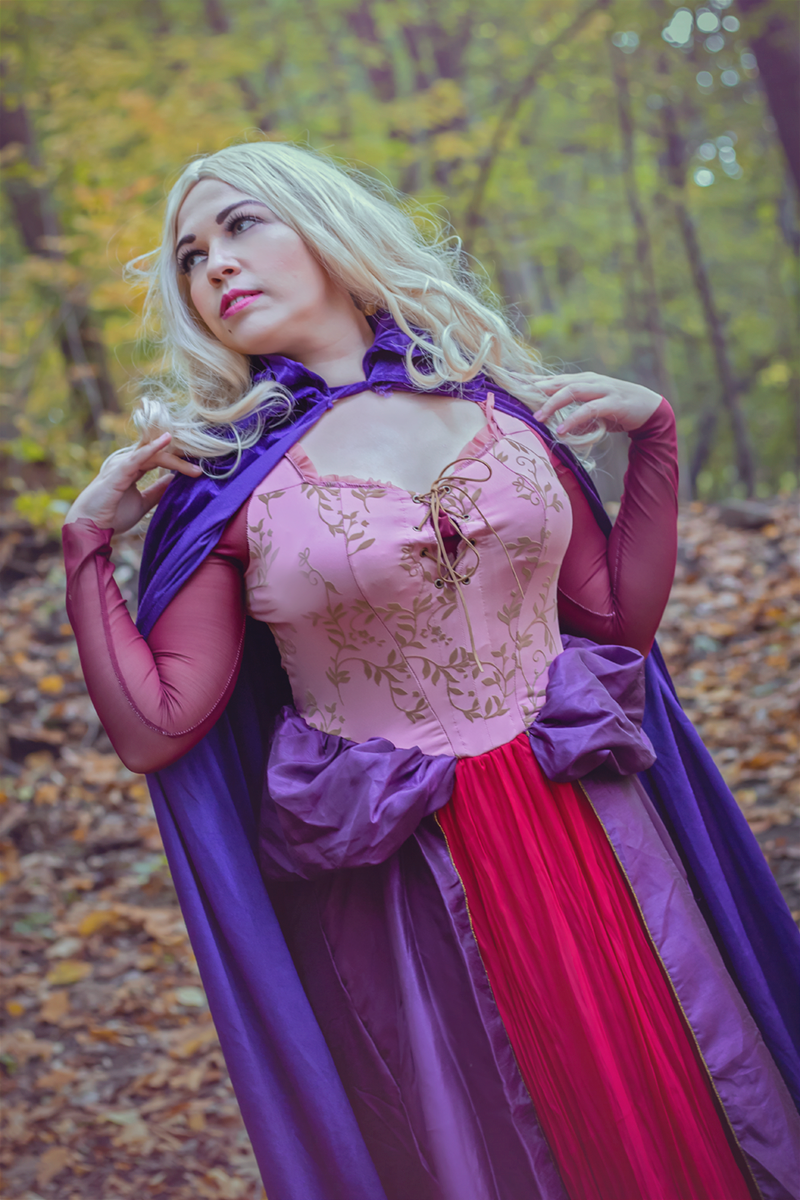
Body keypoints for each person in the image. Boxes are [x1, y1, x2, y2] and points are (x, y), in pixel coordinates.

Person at [63, 142, 800, 1200]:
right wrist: (87, 541)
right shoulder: (222, 482)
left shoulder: (496, 409)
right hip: (408, 874)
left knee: (677, 1100)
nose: (213, 264)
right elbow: (157, 725)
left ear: (327, 226)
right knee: (497, 1149)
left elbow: (611, 624)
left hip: (593, 827)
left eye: (240, 225)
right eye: (189, 255)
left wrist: (656, 442)